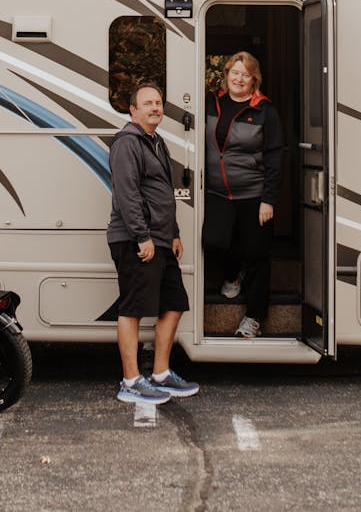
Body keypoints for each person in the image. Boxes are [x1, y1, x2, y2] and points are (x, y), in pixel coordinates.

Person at [106, 82, 199, 404]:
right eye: (147, 103)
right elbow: (127, 193)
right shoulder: (126, 144)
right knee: (132, 308)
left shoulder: (156, 142)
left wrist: (172, 233)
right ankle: (130, 381)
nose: (155, 108)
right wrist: (142, 236)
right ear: (133, 110)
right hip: (135, 239)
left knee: (174, 304)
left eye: (158, 103)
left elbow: (163, 192)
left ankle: (160, 373)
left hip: (160, 239)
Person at [202, 52, 283, 338]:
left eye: (245, 74)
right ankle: (233, 275)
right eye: (234, 73)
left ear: (254, 80)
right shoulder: (210, 103)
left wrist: (268, 199)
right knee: (214, 242)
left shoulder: (265, 111)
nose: (239, 79)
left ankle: (254, 318)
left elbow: (274, 157)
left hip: (254, 194)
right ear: (226, 75)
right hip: (216, 192)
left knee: (257, 255)